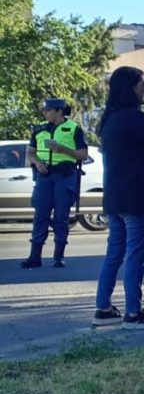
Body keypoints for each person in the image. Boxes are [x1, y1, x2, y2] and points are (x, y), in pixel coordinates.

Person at [92, 67, 144, 329]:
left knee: (114, 253)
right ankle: (133, 312)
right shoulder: (135, 118)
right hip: (136, 196)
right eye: (143, 84)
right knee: (135, 256)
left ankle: (103, 307)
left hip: (114, 197)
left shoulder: (108, 120)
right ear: (130, 87)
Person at [21, 98, 88, 269]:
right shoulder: (39, 129)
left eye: (48, 110)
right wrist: (37, 163)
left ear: (59, 111)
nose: (45, 113)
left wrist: (62, 149)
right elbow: (30, 152)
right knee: (40, 215)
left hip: (64, 175)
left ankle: (59, 256)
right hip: (44, 176)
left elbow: (83, 155)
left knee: (61, 217)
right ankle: (34, 257)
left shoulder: (73, 129)